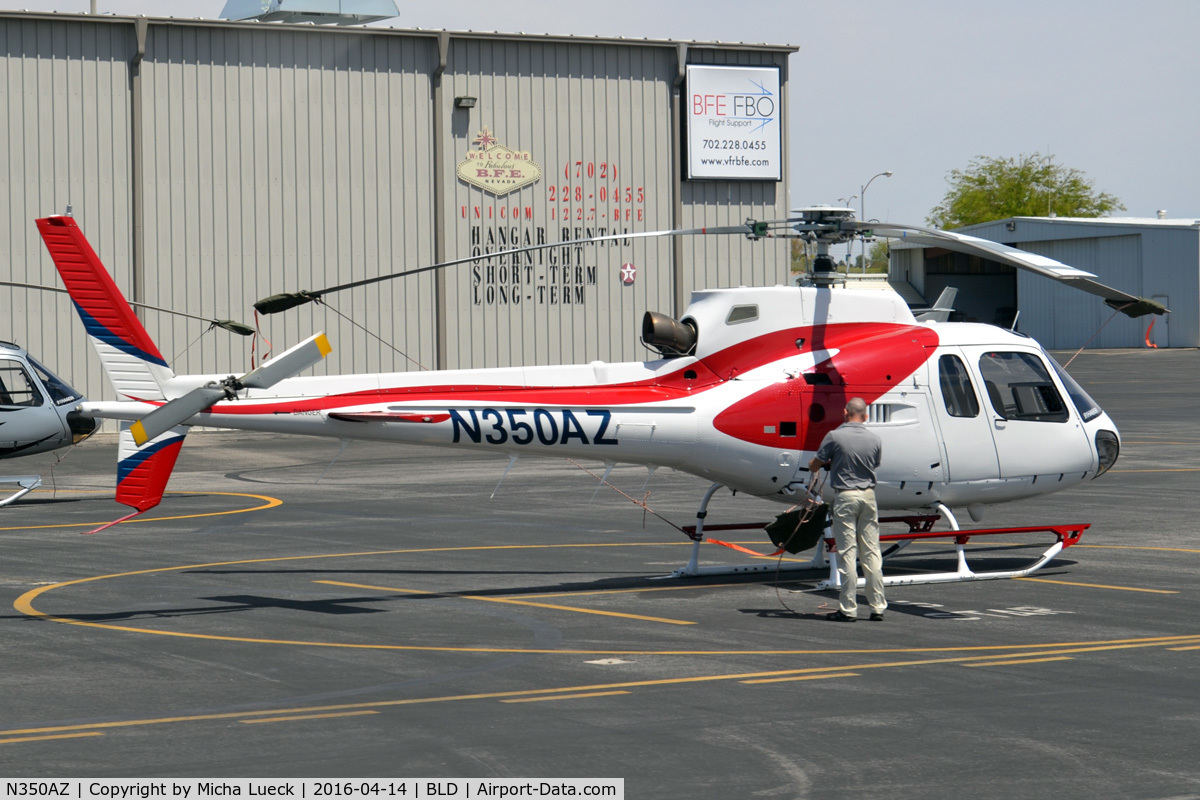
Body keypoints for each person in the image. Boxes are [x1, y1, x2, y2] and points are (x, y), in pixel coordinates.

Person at [808, 397, 886, 622]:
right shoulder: (875, 439)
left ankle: (849, 608)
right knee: (872, 552)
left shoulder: (835, 436)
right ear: (865, 416)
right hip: (868, 496)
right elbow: (874, 464)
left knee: (848, 553)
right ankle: (878, 606)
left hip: (846, 496)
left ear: (845, 413)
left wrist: (826, 463)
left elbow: (816, 463)